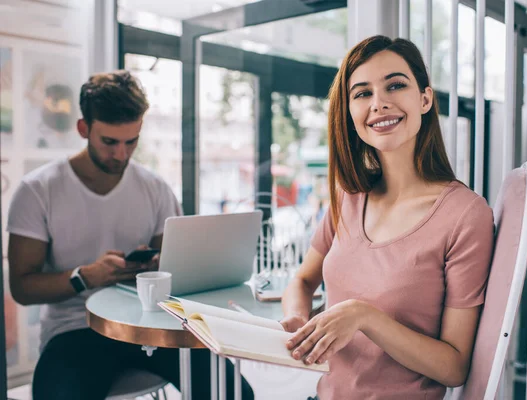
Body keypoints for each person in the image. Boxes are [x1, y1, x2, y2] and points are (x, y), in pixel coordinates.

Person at [7, 70, 254, 400]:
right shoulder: (38, 190)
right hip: (76, 330)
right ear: (84, 129)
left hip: (150, 325)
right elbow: (22, 288)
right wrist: (85, 276)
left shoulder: (154, 187)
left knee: (236, 394)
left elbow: (174, 268)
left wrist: (156, 266)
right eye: (109, 142)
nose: (121, 154)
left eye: (131, 141)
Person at [281, 36, 494, 400]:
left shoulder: (465, 215)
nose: (379, 104)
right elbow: (302, 280)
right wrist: (299, 322)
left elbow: (454, 366)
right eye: (362, 93)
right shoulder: (346, 197)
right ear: (349, 111)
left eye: (395, 85)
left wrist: (365, 317)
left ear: (425, 98)